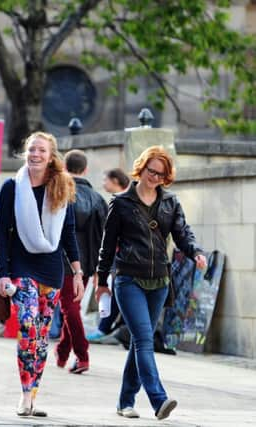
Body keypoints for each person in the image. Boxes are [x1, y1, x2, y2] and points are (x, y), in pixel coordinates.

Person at [95, 146, 207, 420]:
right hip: (128, 278)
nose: (154, 177)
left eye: (160, 174)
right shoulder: (121, 202)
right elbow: (107, 246)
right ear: (141, 168)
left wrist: (196, 252)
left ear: (166, 177)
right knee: (144, 339)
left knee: (138, 342)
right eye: (150, 171)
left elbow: (183, 234)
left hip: (159, 282)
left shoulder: (170, 202)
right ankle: (159, 400)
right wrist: (101, 281)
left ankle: (125, 402)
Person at [0, 131, 83, 417]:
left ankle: (33, 395)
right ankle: (23, 395)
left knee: (42, 337)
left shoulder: (62, 186)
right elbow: (0, 234)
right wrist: (2, 273)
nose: (35, 154)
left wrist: (78, 272)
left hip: (52, 271)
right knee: (28, 327)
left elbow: (68, 234)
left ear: (51, 155)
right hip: (22, 269)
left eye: (41, 150)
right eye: (31, 149)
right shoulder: (12, 187)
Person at [55, 149, 107, 373]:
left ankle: (82, 354)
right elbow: (105, 235)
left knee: (69, 307)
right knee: (72, 306)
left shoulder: (60, 193)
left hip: (63, 258)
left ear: (65, 168)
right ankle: (63, 352)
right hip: (86, 262)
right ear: (85, 170)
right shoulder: (98, 199)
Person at [86, 167, 130, 342]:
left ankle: (106, 328)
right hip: (116, 256)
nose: (103, 184)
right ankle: (108, 328)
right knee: (115, 292)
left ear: (116, 181)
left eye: (106, 180)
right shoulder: (115, 200)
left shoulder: (124, 201)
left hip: (122, 257)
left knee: (117, 292)